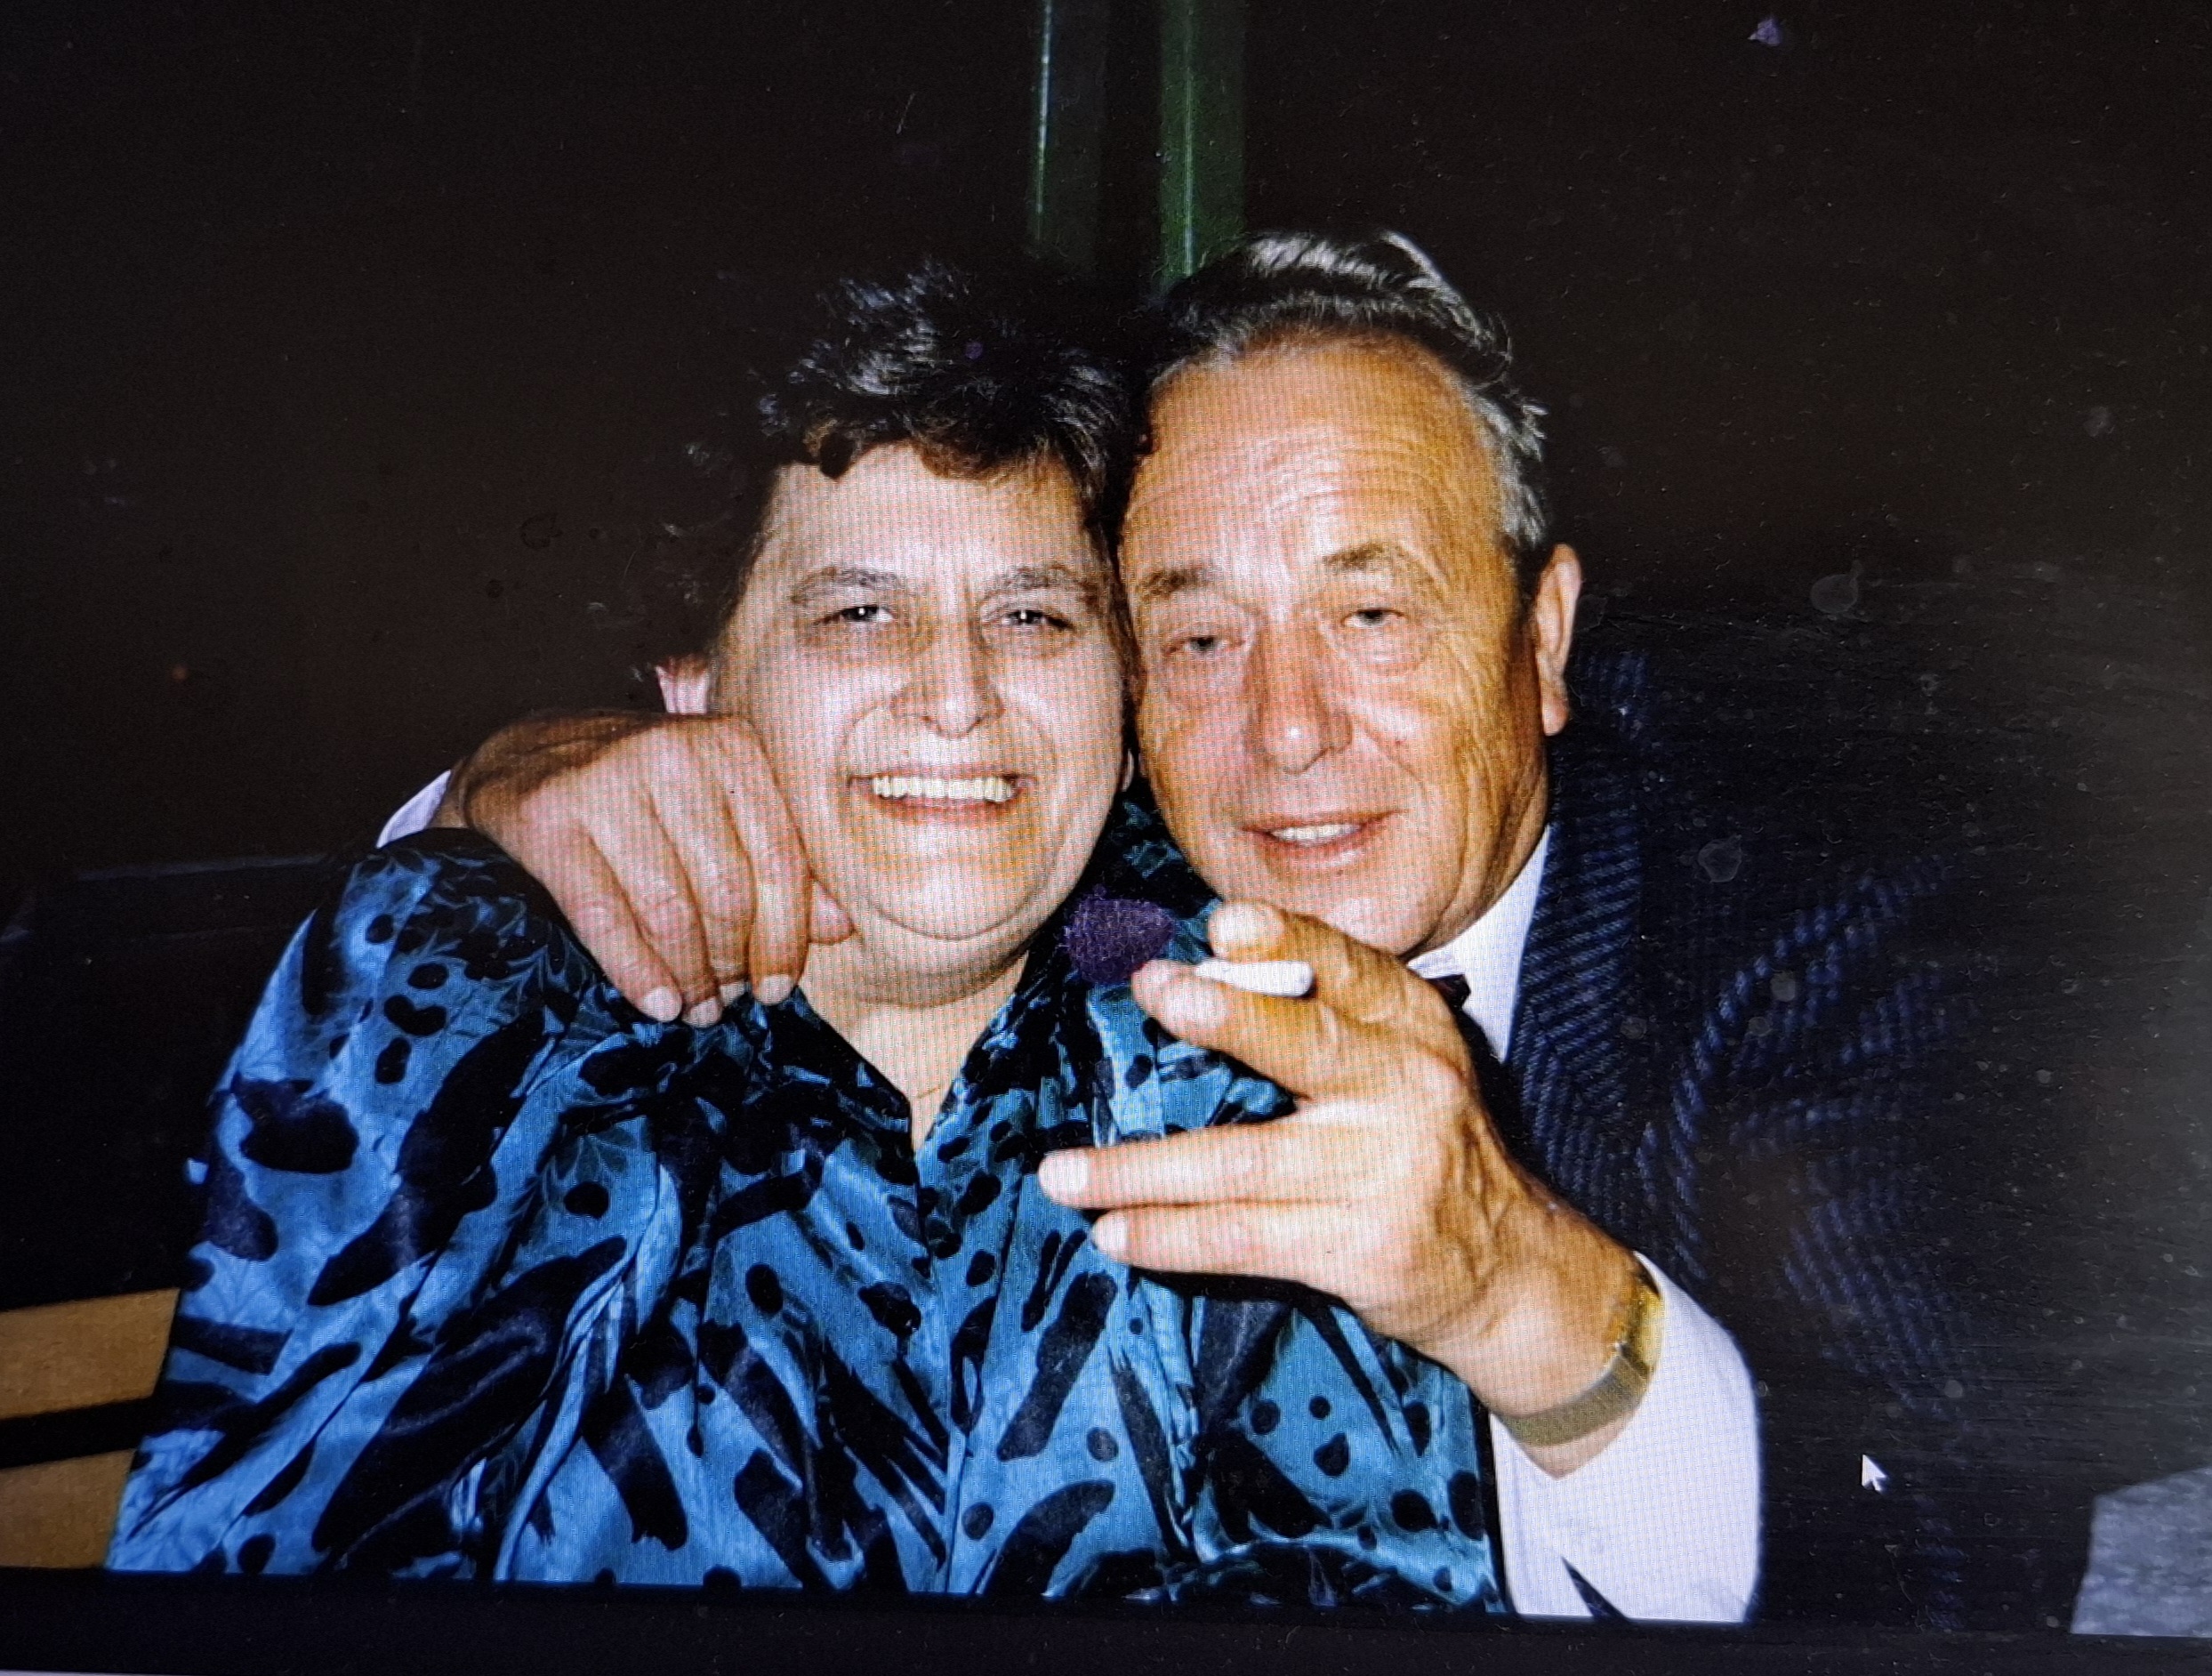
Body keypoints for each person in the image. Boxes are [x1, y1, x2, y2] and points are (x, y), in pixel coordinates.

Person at [412, 230, 2063, 1628]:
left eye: (1372, 614)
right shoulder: (1091, 883)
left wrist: (1520, 1289)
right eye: (1198, 640)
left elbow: (1968, 1570)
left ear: (1543, 636)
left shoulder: (1813, 947)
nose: (1286, 730)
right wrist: (497, 787)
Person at [109, 258, 1748, 1610]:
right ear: (689, 681)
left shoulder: (1235, 1054)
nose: (956, 696)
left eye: (1032, 614)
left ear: (1110, 702)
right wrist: (500, 775)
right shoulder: (480, 1017)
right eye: (859, 611)